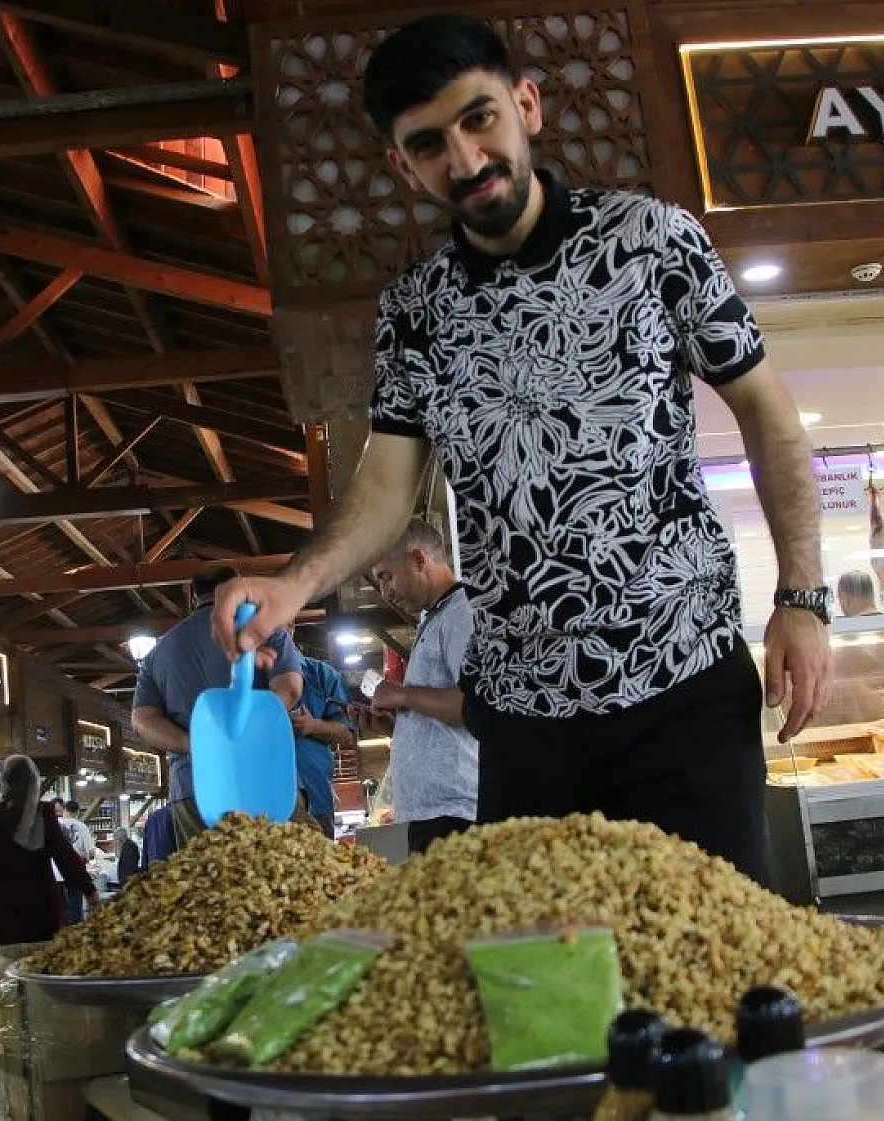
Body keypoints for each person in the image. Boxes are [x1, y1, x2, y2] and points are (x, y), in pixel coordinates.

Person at [211, 13, 831, 883]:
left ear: (527, 105)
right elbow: (386, 487)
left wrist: (801, 595)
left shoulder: (651, 241)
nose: (464, 161)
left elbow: (768, 414)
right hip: (525, 719)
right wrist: (293, 582)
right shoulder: (415, 314)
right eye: (429, 145)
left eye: (479, 119)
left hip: (682, 684)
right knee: (548, 990)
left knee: (717, 972)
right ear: (402, 164)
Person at [132, 567, 305, 849]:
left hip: (197, 787)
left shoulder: (159, 652)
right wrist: (252, 728)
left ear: (192, 598)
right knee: (289, 880)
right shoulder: (265, 630)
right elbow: (290, 690)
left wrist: (195, 744)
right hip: (266, 779)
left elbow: (142, 719)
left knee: (211, 882)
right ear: (237, 589)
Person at [367, 520, 481, 854]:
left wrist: (401, 694)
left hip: (455, 811)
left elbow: (475, 704)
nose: (385, 592)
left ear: (419, 560)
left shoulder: (461, 613)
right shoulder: (435, 617)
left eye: (387, 576)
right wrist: (399, 719)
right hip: (433, 812)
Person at [0, 756, 100, 1005]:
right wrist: (89, 890)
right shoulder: (44, 813)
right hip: (40, 908)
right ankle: (35, 1022)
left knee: (2, 975)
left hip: (0, 908)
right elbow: (64, 856)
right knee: (39, 973)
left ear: (4, 782)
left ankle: (6, 1024)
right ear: (35, 782)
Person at [290, 653, 357, 838]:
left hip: (316, 796)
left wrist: (313, 726)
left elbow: (347, 734)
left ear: (291, 625)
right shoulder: (247, 675)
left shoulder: (322, 675)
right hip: (264, 800)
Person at [52, 799, 96, 922]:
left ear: (64, 810)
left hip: (55, 874)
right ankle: (74, 935)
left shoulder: (55, 824)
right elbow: (91, 853)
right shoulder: (82, 826)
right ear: (77, 812)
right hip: (74, 873)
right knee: (75, 908)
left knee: (60, 910)